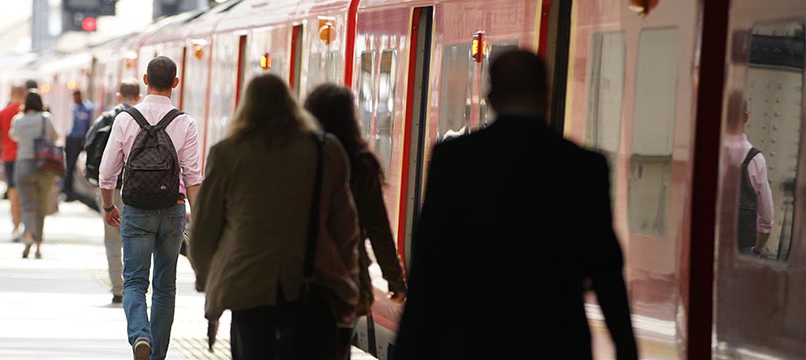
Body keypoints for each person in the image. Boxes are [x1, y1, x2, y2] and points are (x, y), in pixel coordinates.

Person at [393, 51, 637, 359]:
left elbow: (429, 265)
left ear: (491, 97)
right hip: (556, 342)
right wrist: (626, 348)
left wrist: (408, 347)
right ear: (546, 96)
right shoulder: (584, 166)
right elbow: (606, 268)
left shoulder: (453, 159)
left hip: (471, 341)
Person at [189, 74, 360, 360]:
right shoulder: (325, 150)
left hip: (246, 289)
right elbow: (346, 229)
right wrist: (347, 285)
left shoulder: (226, 154)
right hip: (311, 285)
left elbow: (203, 232)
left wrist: (209, 284)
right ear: (292, 105)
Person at [98, 56, 202, 360]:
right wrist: (198, 219)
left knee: (134, 281)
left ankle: (140, 335)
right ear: (176, 83)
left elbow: (107, 173)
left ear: (145, 80)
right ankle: (157, 355)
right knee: (165, 286)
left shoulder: (125, 119)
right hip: (173, 209)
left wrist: (108, 206)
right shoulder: (185, 122)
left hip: (136, 210)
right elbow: (193, 176)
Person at [303, 84, 407, 317]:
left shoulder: (296, 158)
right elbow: (377, 226)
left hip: (297, 273)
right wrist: (395, 279)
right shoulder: (361, 164)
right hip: (345, 275)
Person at [86, 79, 142, 304]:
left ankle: (117, 289)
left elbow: (89, 145)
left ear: (119, 96)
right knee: (136, 238)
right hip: (137, 190)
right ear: (138, 96)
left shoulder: (106, 118)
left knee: (112, 238)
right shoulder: (144, 119)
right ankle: (134, 286)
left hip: (110, 189)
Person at [724, 94, 775, 258]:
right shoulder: (755, 159)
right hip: (741, 250)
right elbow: (767, 217)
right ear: (746, 117)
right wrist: (757, 250)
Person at [10, 91, 59, 259]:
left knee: (27, 205)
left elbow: (13, 136)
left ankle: (28, 236)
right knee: (41, 206)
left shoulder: (18, 120)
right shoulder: (46, 119)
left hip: (23, 165)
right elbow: (56, 137)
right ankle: (38, 246)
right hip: (44, 166)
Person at [0, 85, 26, 241]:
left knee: (13, 192)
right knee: (25, 193)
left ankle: (15, 225)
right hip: (26, 158)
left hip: (8, 157)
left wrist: (3, 150)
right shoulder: (25, 112)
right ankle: (27, 227)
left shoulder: (3, 112)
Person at [64, 89, 95, 203]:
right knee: (70, 166)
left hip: (80, 139)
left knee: (74, 165)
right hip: (71, 139)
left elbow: (88, 124)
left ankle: (69, 190)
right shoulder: (74, 108)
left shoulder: (88, 108)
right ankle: (67, 190)